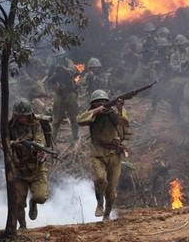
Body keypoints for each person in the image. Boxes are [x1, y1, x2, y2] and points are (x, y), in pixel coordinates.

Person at [77, 90, 131, 221]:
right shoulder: (92, 115)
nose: (100, 104)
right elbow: (79, 120)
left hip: (114, 154)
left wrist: (120, 108)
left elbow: (123, 123)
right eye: (97, 103)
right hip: (97, 153)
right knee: (100, 179)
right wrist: (96, 111)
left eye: (103, 102)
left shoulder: (112, 113)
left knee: (111, 191)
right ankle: (99, 204)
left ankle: (106, 215)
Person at [7, 99, 49, 229]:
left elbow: (40, 141)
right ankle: (23, 226)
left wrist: (37, 148)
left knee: (41, 197)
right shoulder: (10, 126)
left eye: (25, 116)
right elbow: (2, 143)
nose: (23, 118)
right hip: (18, 169)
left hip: (36, 167)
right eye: (20, 116)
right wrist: (14, 143)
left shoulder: (36, 125)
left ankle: (33, 202)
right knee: (18, 203)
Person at [48, 52, 80, 143]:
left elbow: (75, 73)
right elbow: (49, 80)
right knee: (56, 118)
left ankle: (76, 137)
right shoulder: (53, 66)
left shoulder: (69, 63)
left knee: (74, 117)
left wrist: (64, 69)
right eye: (57, 57)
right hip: (59, 93)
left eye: (60, 57)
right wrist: (55, 83)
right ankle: (52, 140)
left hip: (70, 92)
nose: (59, 59)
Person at [169, 34, 189, 122]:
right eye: (179, 45)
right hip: (178, 79)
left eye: (182, 44)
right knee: (173, 97)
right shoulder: (174, 55)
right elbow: (172, 67)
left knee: (188, 97)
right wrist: (181, 65)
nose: (180, 46)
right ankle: (176, 115)